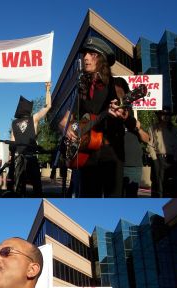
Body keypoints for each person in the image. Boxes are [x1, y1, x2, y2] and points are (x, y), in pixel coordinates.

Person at [59, 37, 126, 197]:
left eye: (91, 54)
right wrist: (66, 128)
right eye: (85, 54)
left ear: (101, 59)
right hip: (86, 155)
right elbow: (63, 122)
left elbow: (125, 111)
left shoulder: (116, 84)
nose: (86, 57)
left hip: (111, 153)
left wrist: (121, 111)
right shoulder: (81, 89)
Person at [11, 82, 51, 197]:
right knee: (37, 189)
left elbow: (12, 143)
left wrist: (12, 159)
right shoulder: (33, 119)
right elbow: (48, 106)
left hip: (20, 159)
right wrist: (48, 90)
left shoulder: (14, 123)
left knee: (19, 190)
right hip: (29, 158)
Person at [113, 77, 149, 197]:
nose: (118, 95)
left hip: (133, 165)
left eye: (120, 91)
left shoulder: (131, 113)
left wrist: (137, 127)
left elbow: (147, 139)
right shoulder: (107, 111)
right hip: (113, 164)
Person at [148, 108, 177, 197]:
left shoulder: (174, 129)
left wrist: (175, 159)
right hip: (159, 158)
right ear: (159, 115)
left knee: (170, 183)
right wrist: (154, 159)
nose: (165, 116)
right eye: (163, 114)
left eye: (168, 115)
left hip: (171, 158)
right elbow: (150, 144)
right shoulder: (153, 128)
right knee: (159, 183)